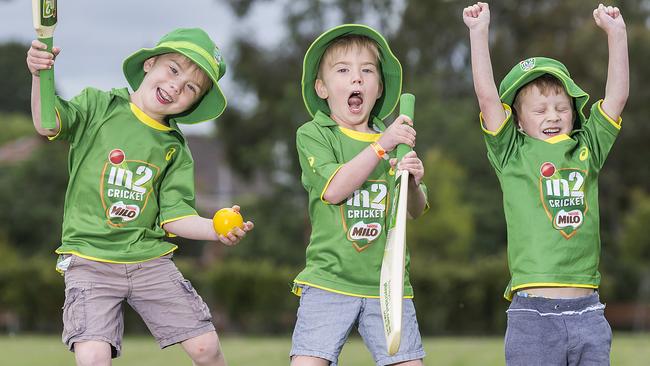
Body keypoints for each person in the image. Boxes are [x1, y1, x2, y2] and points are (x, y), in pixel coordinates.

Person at [26, 28, 254, 366]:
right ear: (150, 64)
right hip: (90, 261)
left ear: (194, 101)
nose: (177, 85)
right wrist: (40, 75)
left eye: (191, 87)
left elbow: (175, 215)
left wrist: (215, 230)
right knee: (92, 356)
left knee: (207, 348)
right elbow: (47, 123)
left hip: (150, 262)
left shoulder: (174, 148)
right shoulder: (98, 106)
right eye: (173, 70)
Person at [463, 2, 628, 365]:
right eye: (539, 110)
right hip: (531, 315)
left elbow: (616, 98)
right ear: (518, 121)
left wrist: (617, 36)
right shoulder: (511, 153)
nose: (553, 115)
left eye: (561, 107)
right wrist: (479, 34)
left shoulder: (587, 147)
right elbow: (488, 97)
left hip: (588, 311)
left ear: (573, 109)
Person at [290, 24, 429, 366]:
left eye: (367, 71)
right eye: (343, 71)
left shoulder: (391, 139)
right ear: (322, 88)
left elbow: (415, 210)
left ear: (379, 88)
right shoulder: (315, 134)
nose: (357, 79)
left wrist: (410, 181)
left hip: (387, 284)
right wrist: (382, 147)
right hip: (329, 280)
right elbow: (335, 189)